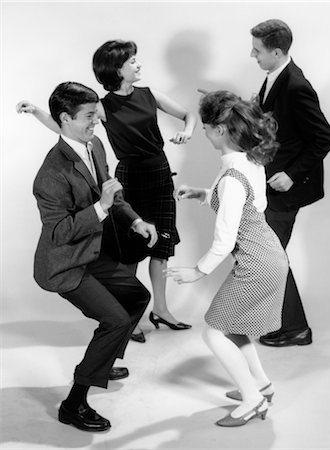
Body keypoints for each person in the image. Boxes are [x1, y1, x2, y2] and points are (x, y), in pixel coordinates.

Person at [16, 39, 197, 342]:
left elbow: (188, 116)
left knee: (162, 246)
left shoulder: (149, 94)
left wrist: (187, 131)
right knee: (129, 250)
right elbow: (66, 127)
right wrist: (36, 111)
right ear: (116, 68)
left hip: (160, 173)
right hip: (129, 177)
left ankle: (161, 309)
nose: (138, 64)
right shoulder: (101, 106)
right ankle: (132, 315)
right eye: (132, 61)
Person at [27, 81, 157, 431]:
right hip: (65, 264)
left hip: (91, 251)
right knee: (115, 321)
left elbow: (109, 191)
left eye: (95, 113)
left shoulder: (94, 144)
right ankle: (74, 404)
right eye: (88, 116)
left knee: (137, 296)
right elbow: (58, 233)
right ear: (65, 119)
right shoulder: (51, 174)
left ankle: (104, 359)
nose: (96, 121)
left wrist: (135, 219)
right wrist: (100, 207)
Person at [166, 90, 289, 427]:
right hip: (268, 255)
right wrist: (203, 194)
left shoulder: (233, 175)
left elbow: (224, 240)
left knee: (214, 333)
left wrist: (197, 271)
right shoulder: (246, 161)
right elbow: (249, 204)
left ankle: (252, 400)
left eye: (206, 127)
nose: (203, 133)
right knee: (231, 327)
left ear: (220, 130)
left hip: (256, 264)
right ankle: (262, 386)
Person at [249, 19, 330, 347]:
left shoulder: (297, 85)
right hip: (271, 181)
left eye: (257, 50)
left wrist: (292, 174)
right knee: (269, 255)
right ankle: (290, 324)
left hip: (286, 186)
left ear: (276, 51)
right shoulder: (274, 76)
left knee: (270, 256)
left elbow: (324, 138)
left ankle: (296, 328)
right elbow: (274, 118)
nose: (252, 55)